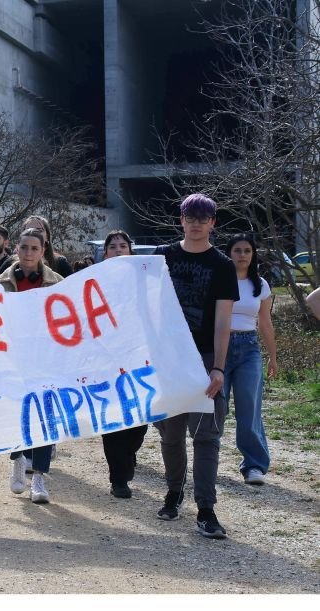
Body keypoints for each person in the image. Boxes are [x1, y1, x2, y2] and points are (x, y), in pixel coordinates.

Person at [153, 193, 238, 539]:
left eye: (203, 218)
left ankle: (206, 508)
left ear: (213, 223)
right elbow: (142, 305)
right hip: (167, 359)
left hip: (203, 359)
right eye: (191, 217)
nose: (197, 224)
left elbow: (223, 321)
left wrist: (218, 367)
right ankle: (174, 492)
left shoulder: (222, 265)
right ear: (181, 220)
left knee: (206, 436)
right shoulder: (161, 256)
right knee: (170, 434)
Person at [0, 228, 64, 504]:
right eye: (24, 247)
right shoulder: (0, 283)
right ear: (16, 249)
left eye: (35, 248)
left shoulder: (58, 283)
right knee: (16, 413)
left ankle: (39, 478)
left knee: (45, 417)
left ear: (43, 250)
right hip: (12, 359)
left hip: (46, 360)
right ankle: (17, 459)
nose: (29, 253)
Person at [223, 234, 278, 485]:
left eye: (247, 250)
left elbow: (265, 323)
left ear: (253, 254)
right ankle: (208, 462)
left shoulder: (261, 284)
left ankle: (254, 465)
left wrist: (272, 357)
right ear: (229, 253)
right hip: (220, 346)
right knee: (217, 407)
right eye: (237, 250)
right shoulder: (219, 279)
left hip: (249, 349)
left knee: (249, 408)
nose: (242, 255)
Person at [97, 230, 148, 499]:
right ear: (105, 253)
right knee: (113, 419)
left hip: (138, 356)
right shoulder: (92, 281)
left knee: (140, 421)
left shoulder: (143, 279)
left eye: (123, 246)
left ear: (130, 250)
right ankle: (119, 478)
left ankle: (127, 454)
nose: (118, 250)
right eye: (113, 246)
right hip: (105, 358)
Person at [0, 215, 73, 278]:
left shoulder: (60, 263)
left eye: (39, 230)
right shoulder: (9, 263)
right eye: (29, 230)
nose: (33, 233)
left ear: (47, 236)